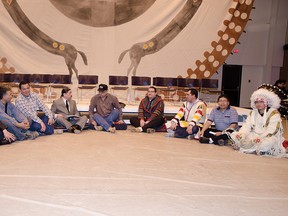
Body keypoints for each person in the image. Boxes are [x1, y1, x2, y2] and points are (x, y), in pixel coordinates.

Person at [230, 85, 286, 156]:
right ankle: (254, 148)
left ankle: (258, 148)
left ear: (266, 102)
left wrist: (260, 138)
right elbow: (247, 126)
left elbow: (272, 130)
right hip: (254, 134)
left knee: (269, 142)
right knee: (235, 135)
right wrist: (242, 133)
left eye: (261, 102)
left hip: (267, 136)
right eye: (256, 102)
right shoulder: (253, 113)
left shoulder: (274, 113)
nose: (258, 104)